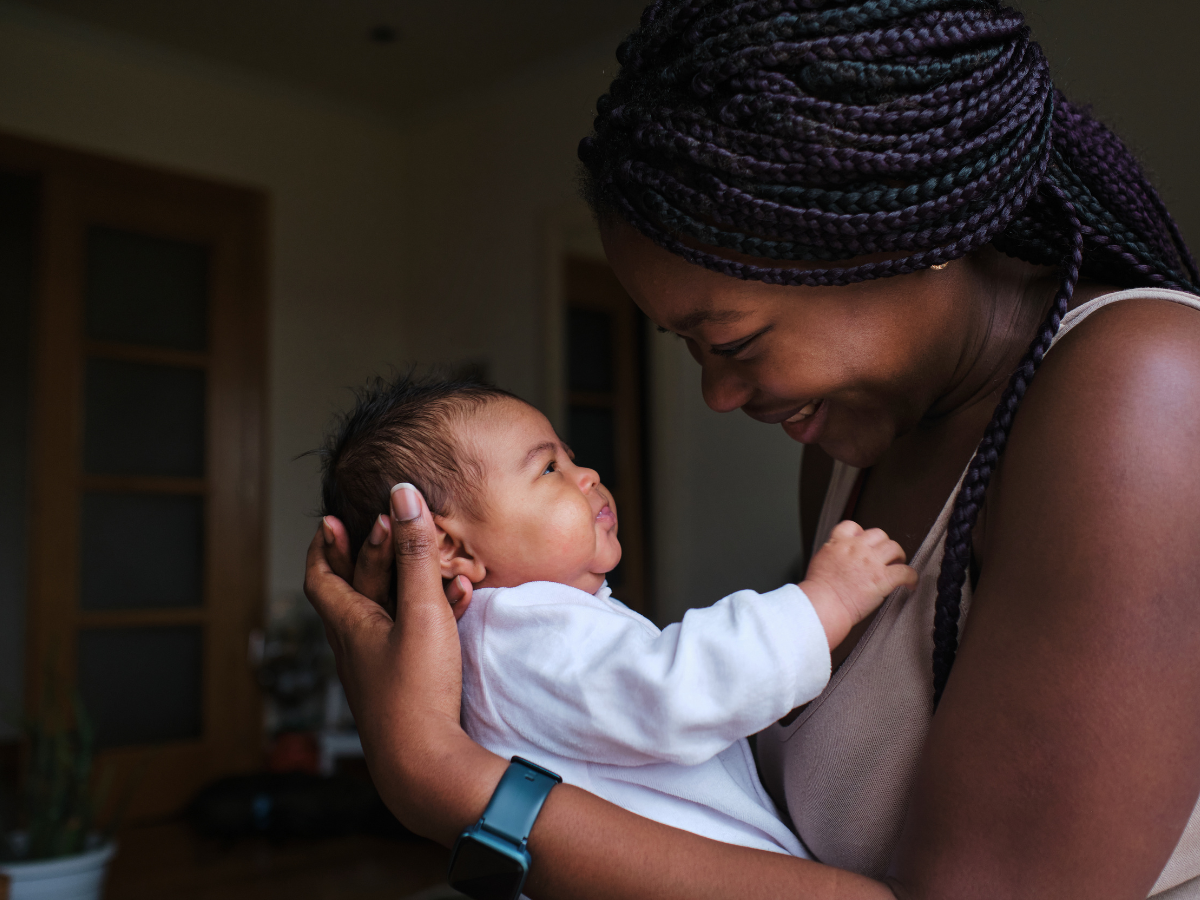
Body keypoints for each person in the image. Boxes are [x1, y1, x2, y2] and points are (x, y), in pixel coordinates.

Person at [305, 1, 1200, 897]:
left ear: (906, 235)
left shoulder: (1150, 391)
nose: (717, 395)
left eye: (729, 341)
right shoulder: (848, 454)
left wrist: (453, 783)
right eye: (688, 349)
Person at [316, 373, 915, 858]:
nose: (588, 475)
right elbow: (676, 689)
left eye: (571, 458)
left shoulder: (512, 634)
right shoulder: (520, 634)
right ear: (451, 548)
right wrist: (827, 602)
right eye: (548, 468)